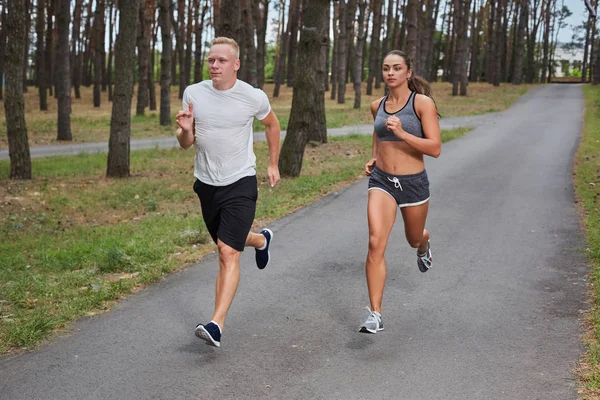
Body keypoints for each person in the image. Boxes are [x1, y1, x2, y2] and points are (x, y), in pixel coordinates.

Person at [175, 37, 281, 348]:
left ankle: (216, 324)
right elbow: (186, 144)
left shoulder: (251, 96)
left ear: (236, 64)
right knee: (229, 240)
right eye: (211, 60)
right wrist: (184, 128)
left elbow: (272, 125)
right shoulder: (194, 94)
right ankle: (261, 239)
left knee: (226, 251)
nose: (215, 65)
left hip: (240, 181)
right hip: (207, 185)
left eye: (221, 60)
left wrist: (273, 164)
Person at [359, 50, 442, 334]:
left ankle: (424, 243)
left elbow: (435, 148)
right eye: (385, 68)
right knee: (374, 242)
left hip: (413, 183)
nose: (390, 73)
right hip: (382, 181)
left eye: (396, 68)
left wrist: (404, 133)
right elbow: (378, 133)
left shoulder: (422, 103)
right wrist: (374, 156)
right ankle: (375, 314)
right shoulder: (376, 105)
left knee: (413, 238)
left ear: (408, 72)